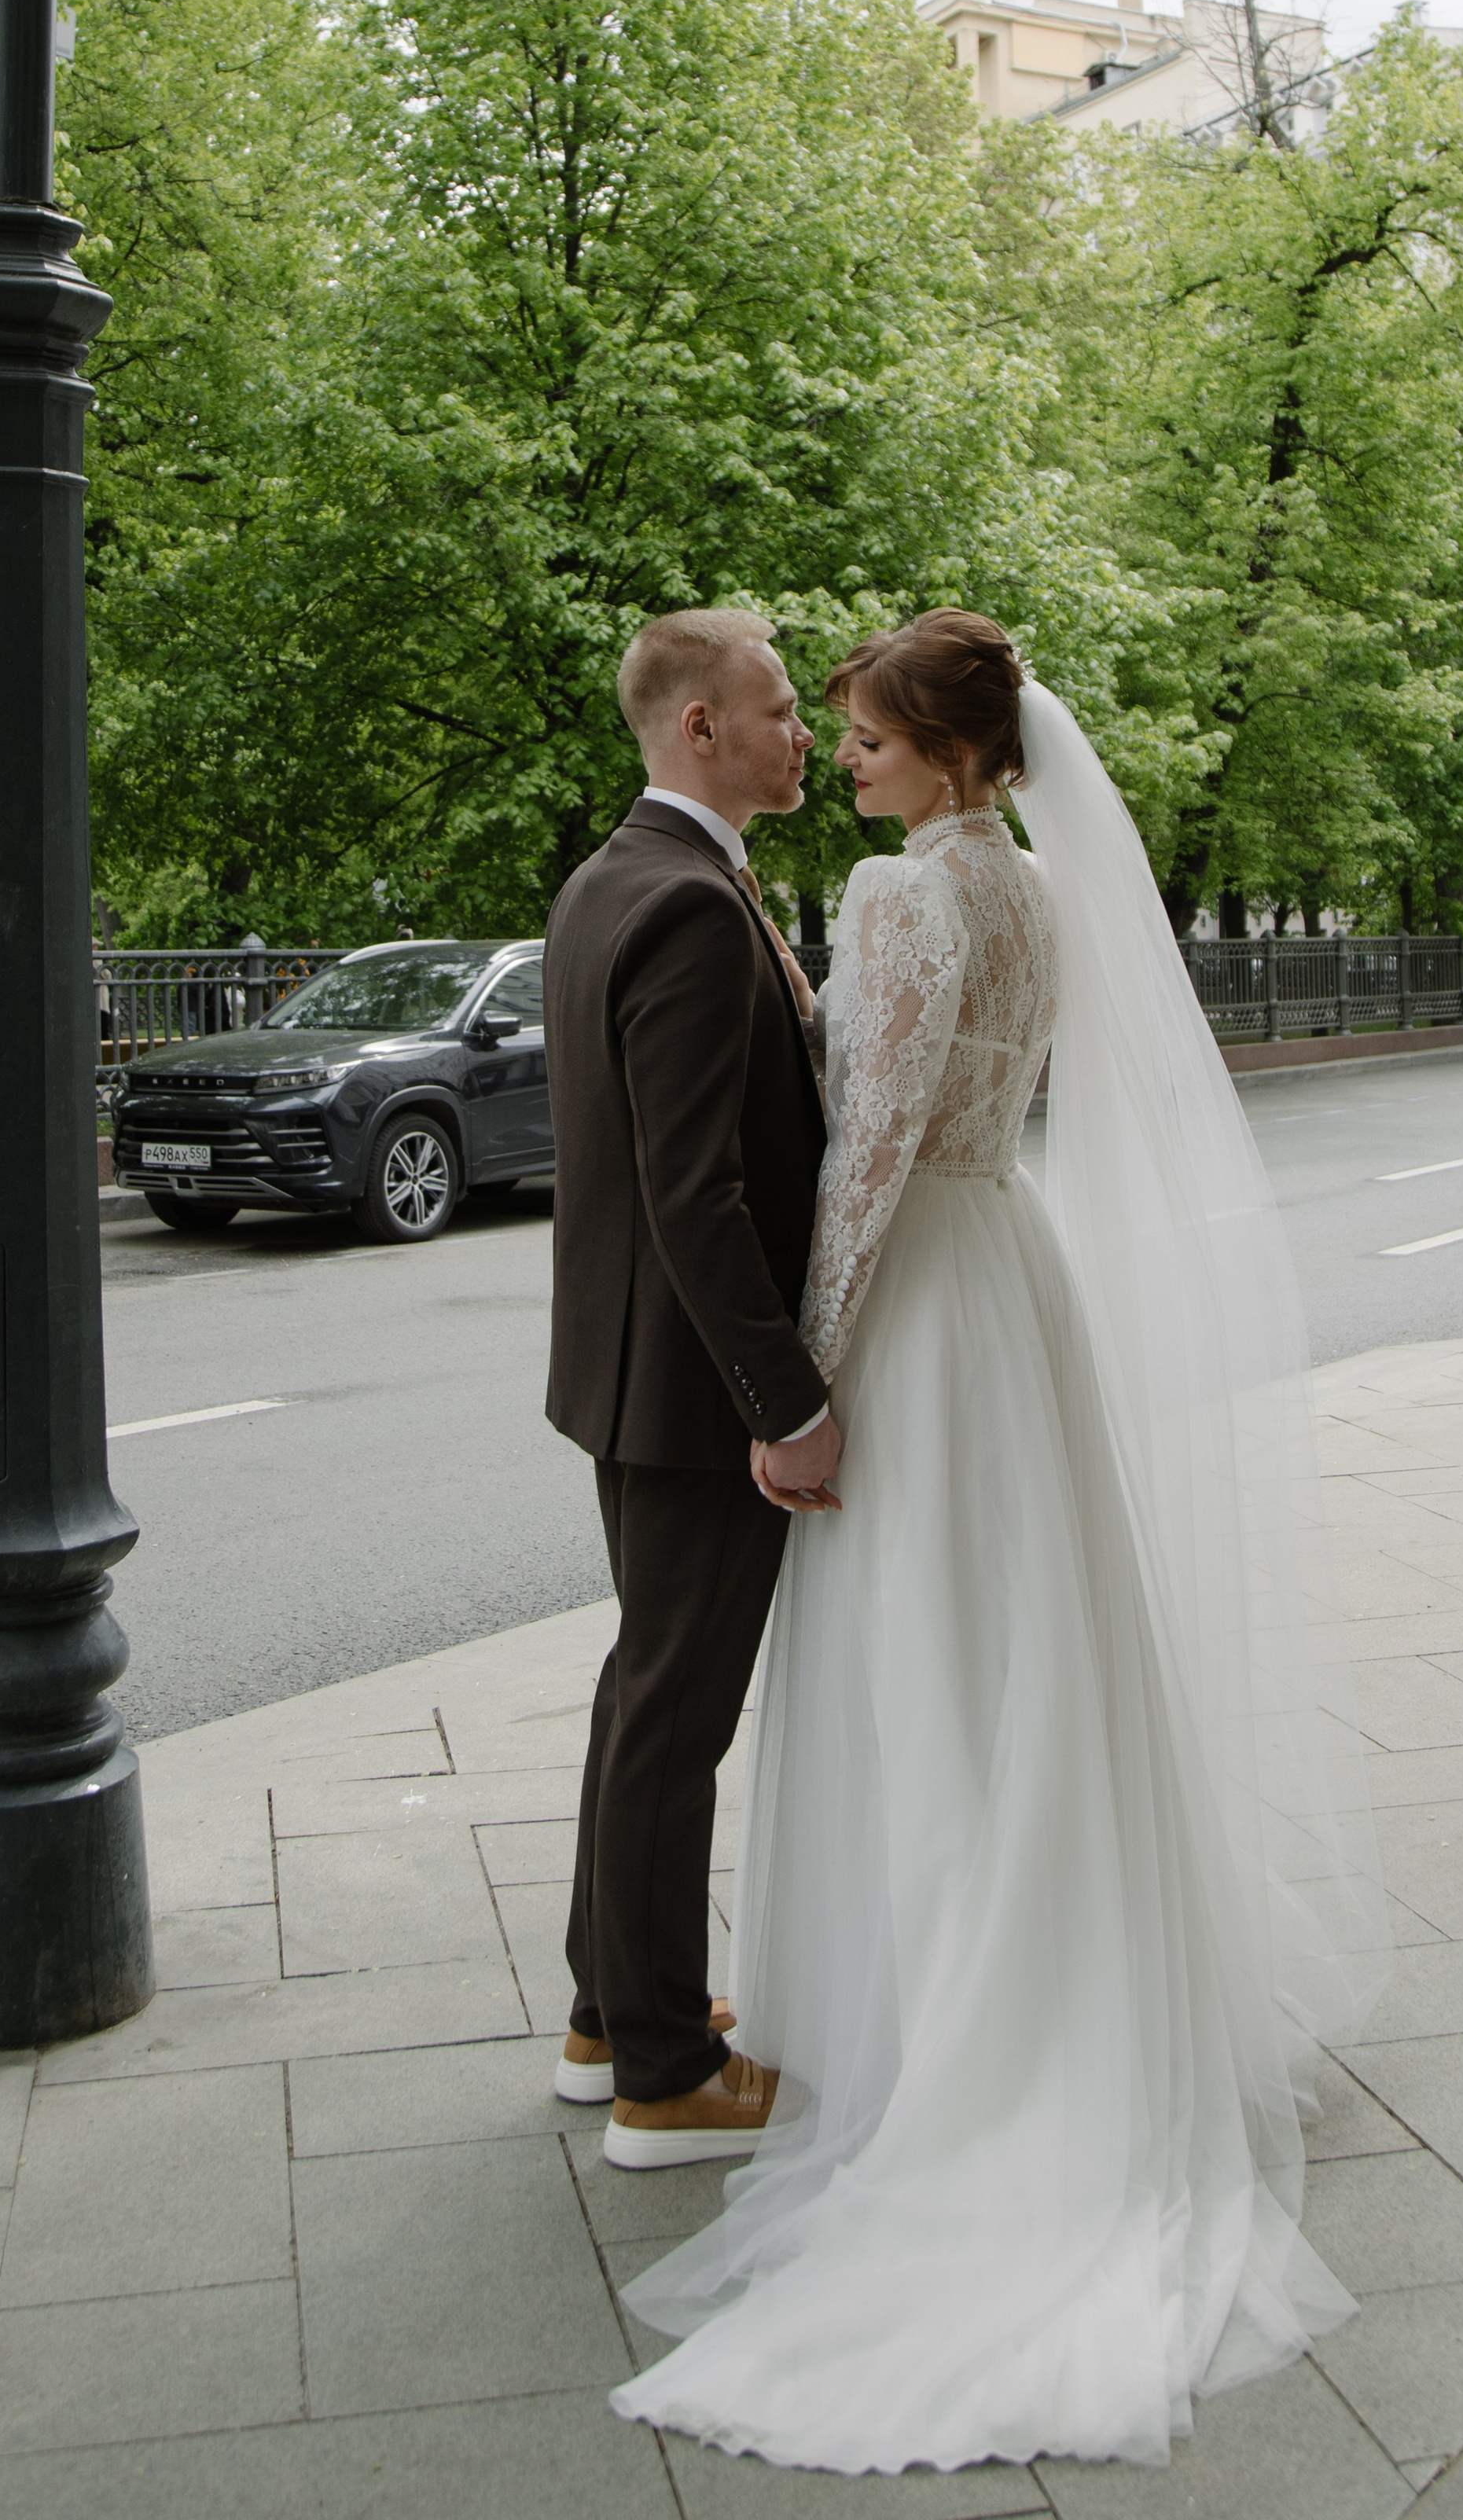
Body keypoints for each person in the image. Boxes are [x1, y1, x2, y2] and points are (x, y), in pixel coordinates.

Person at [609, 609, 1389, 2472]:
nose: (845, 760)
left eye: (871, 739)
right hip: (1009, 1281)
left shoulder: (903, 899)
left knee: (935, 1667)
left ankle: (952, 2029)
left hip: (922, 1305)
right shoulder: (1031, 890)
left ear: (950, 756)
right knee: (1036, 1643)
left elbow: (868, 1151)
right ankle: (1070, 1984)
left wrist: (803, 1380)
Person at [543, 608, 844, 2169]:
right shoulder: (685, 904)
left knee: (643, 1695)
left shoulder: (617, 877)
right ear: (701, 728)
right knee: (674, 1718)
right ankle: (663, 2074)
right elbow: (695, 1193)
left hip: (631, 1377)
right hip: (692, 1395)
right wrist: (784, 1401)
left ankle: (612, 2009)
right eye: (781, 708)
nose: (805, 732)